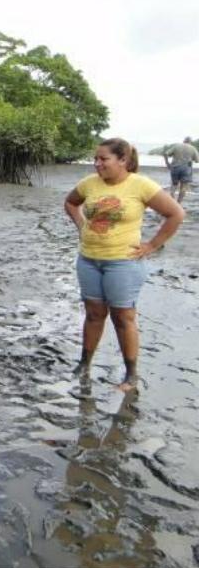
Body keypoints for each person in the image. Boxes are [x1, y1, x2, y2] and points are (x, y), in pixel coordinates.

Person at [64, 138, 184, 392]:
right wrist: (81, 225)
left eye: (103, 159)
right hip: (89, 259)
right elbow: (71, 202)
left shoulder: (140, 185)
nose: (97, 164)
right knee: (94, 314)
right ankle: (84, 364)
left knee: (122, 317)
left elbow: (176, 214)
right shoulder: (89, 183)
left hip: (123, 263)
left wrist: (152, 245)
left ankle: (131, 375)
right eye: (95, 159)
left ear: (123, 160)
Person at [163, 136, 199, 204]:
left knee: (174, 185)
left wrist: (167, 163)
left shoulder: (177, 146)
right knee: (183, 187)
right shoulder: (193, 148)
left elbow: (165, 154)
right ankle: (179, 203)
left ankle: (172, 202)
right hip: (186, 169)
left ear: (183, 141)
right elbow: (197, 160)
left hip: (175, 168)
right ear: (190, 142)